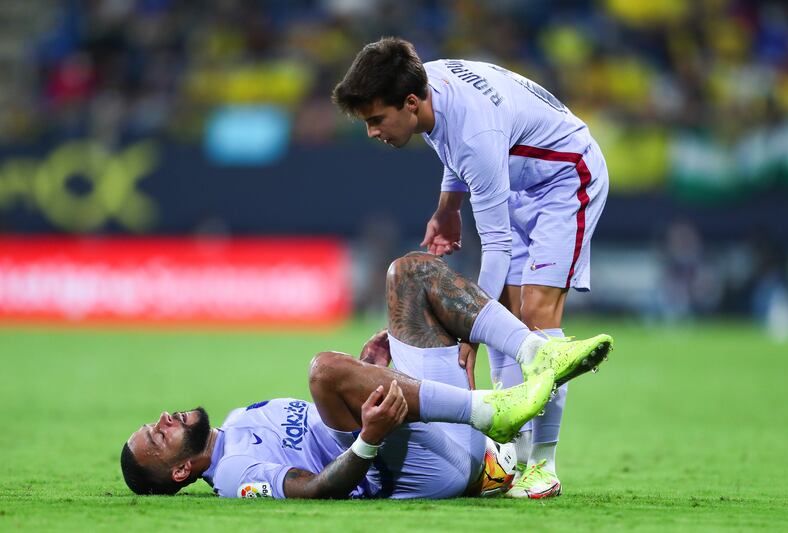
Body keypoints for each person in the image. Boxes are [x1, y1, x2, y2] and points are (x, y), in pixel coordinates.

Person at [332, 37, 610, 498]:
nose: (372, 132)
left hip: (565, 179)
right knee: (503, 309)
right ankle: (510, 459)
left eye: (377, 119)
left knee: (535, 321)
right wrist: (448, 206)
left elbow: (494, 238)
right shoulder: (429, 81)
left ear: (410, 102)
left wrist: (469, 334)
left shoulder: (473, 133)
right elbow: (453, 148)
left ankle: (542, 466)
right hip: (519, 177)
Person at [120, 252, 612, 499]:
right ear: (182, 471)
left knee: (409, 274)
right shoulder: (234, 475)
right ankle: (493, 413)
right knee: (325, 370)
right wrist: (368, 441)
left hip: (417, 437)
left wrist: (372, 372)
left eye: (154, 423)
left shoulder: (238, 419)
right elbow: (314, 490)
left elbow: (332, 423)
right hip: (407, 471)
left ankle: (533, 353)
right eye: (157, 437)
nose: (162, 419)